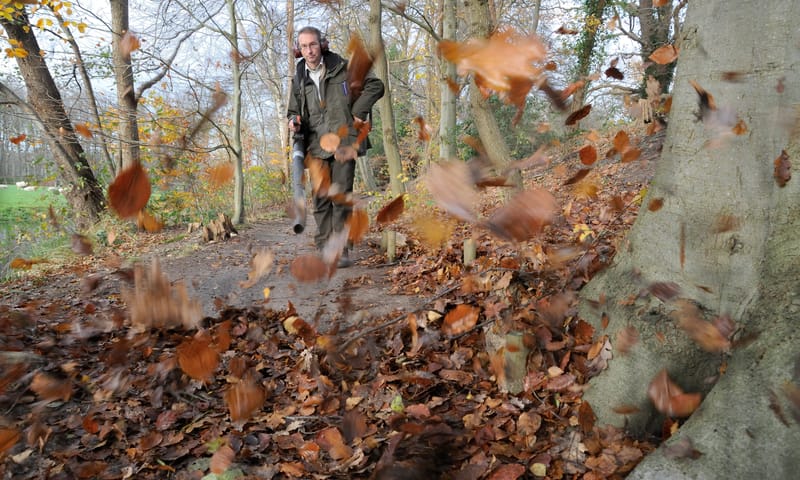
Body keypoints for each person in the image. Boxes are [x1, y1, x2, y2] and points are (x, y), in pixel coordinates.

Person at [287, 26, 384, 268]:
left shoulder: (343, 68)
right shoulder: (299, 78)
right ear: (299, 49)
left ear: (322, 44)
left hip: (344, 142)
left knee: (340, 197)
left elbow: (376, 85)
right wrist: (293, 122)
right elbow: (293, 111)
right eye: (304, 46)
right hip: (314, 145)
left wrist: (358, 112)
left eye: (313, 44)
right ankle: (324, 248)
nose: (309, 50)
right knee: (321, 199)